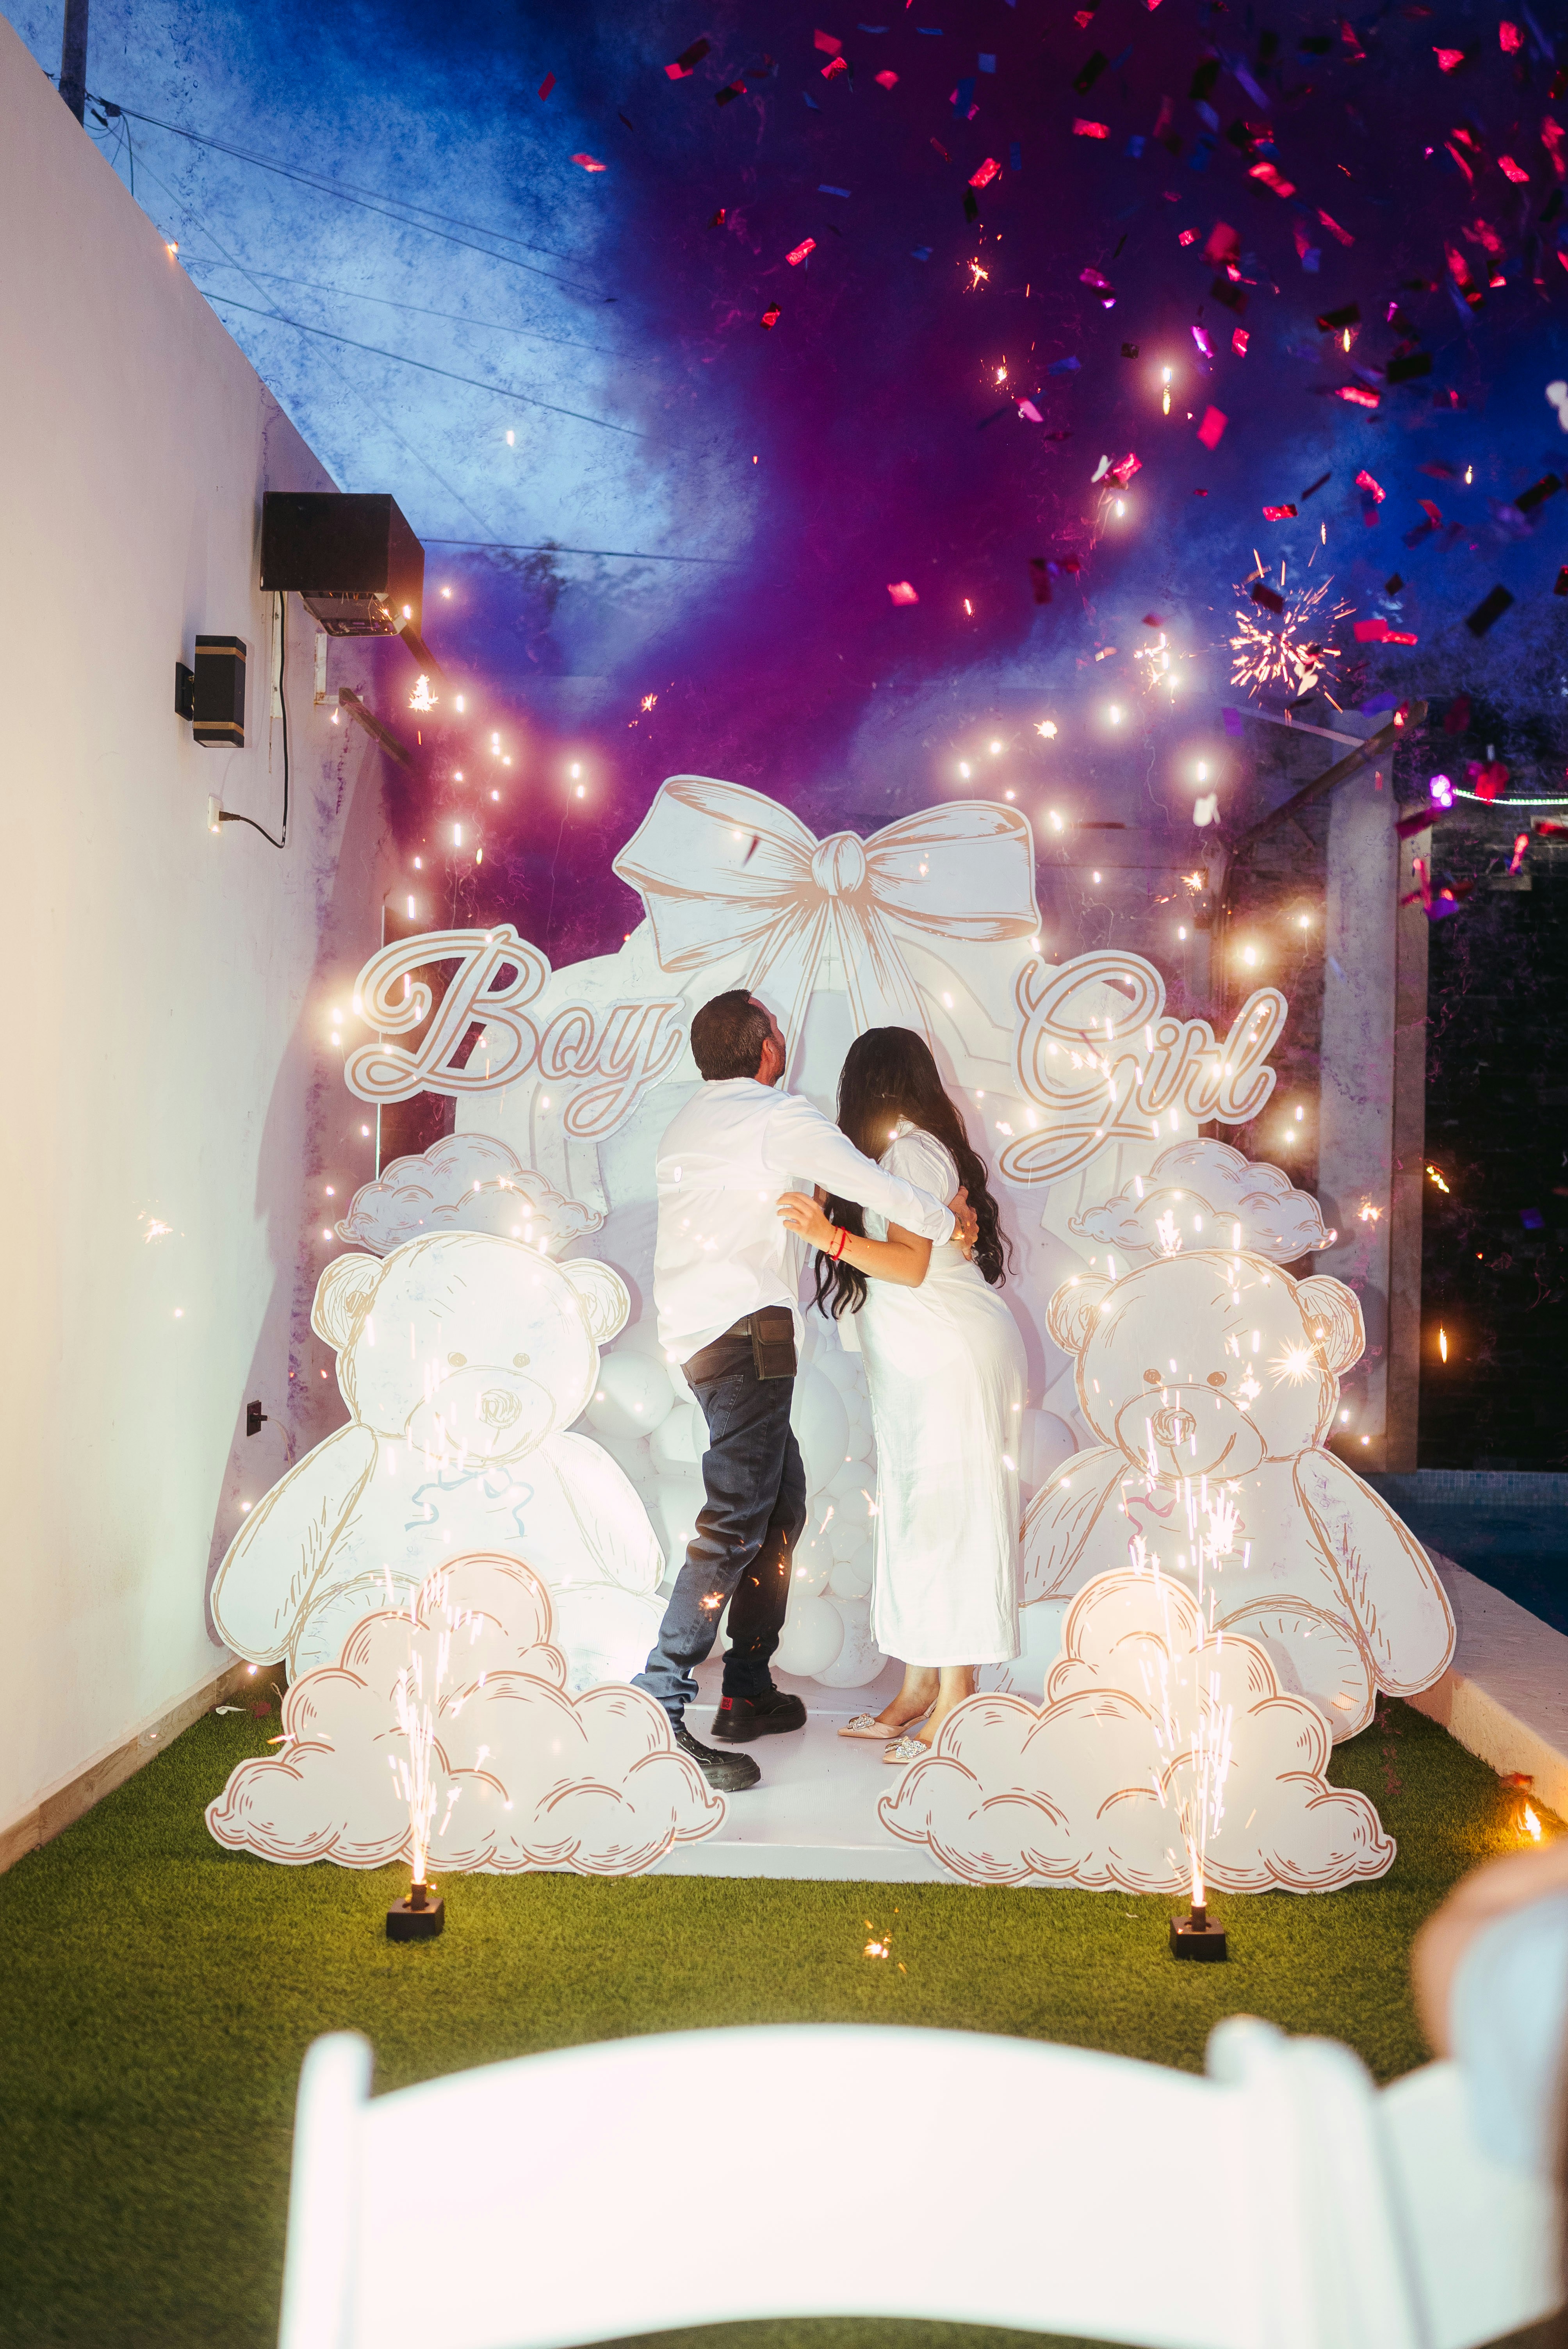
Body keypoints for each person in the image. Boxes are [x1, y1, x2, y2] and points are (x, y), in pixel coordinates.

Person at [634, 990, 977, 1793]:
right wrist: (947, 1215)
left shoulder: (693, 1121)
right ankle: (660, 1698)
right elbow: (876, 1185)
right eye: (777, 1030)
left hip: (707, 1339)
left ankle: (748, 1684)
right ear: (765, 1049)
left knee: (777, 1505)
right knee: (734, 1522)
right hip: (746, 1339)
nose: (784, 1039)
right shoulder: (775, 1117)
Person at [776, 1026, 1025, 1764]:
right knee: (921, 1518)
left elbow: (911, 1266)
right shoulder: (892, 1158)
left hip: (950, 1355)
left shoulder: (913, 1152)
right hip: (924, 1361)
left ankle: (955, 1704)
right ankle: (920, 1687)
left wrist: (830, 1235)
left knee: (951, 1517)